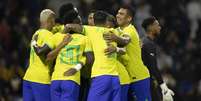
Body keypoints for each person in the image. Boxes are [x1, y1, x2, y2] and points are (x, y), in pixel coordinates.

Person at [33, 4, 94, 101]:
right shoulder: (85, 38)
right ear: (74, 22)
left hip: (56, 78)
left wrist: (34, 42)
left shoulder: (57, 35)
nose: (81, 21)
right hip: (73, 79)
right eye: (79, 19)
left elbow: (46, 56)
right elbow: (90, 60)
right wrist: (78, 66)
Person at [103, 5, 151, 101]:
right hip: (125, 78)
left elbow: (125, 40)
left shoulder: (130, 30)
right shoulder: (117, 31)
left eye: (121, 14)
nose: (118, 16)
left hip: (138, 76)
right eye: (117, 13)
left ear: (129, 18)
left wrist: (116, 39)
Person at [23, 9, 55, 101]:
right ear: (50, 20)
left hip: (28, 77)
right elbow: (41, 53)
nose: (54, 24)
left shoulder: (36, 33)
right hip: (41, 79)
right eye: (54, 20)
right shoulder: (49, 35)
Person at [141, 16, 174, 101]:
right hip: (145, 81)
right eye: (157, 25)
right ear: (150, 27)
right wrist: (163, 86)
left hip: (144, 80)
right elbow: (153, 67)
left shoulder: (145, 41)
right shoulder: (148, 44)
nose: (160, 27)